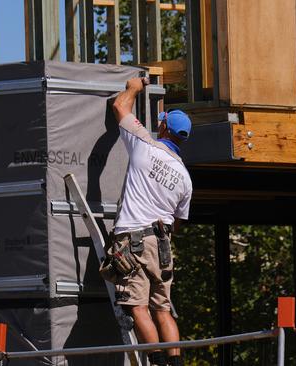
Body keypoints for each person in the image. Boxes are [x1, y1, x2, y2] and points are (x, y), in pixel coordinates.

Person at [110, 77, 193, 366]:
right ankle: (175, 362)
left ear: (163, 128)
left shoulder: (145, 145)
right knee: (163, 309)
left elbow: (119, 106)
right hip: (163, 244)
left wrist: (134, 87)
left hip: (133, 239)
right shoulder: (185, 177)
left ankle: (156, 361)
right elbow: (179, 223)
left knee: (139, 307)